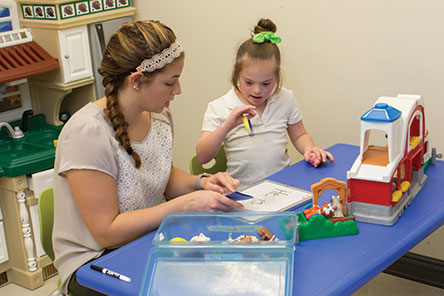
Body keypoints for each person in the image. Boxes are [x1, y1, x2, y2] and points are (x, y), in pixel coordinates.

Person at [52, 20, 243, 295]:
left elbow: (159, 175)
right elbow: (106, 231)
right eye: (170, 82)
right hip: (97, 262)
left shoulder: (159, 115)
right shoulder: (87, 134)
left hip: (148, 242)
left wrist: (200, 183)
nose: (178, 91)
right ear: (137, 80)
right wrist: (183, 205)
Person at [196, 18, 334, 189]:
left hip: (283, 188)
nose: (257, 91)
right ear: (236, 71)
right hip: (242, 192)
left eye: (266, 83)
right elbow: (203, 156)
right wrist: (228, 124)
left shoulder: (286, 98)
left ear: (276, 75)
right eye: (248, 82)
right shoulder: (219, 107)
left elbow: (299, 135)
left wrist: (309, 149)